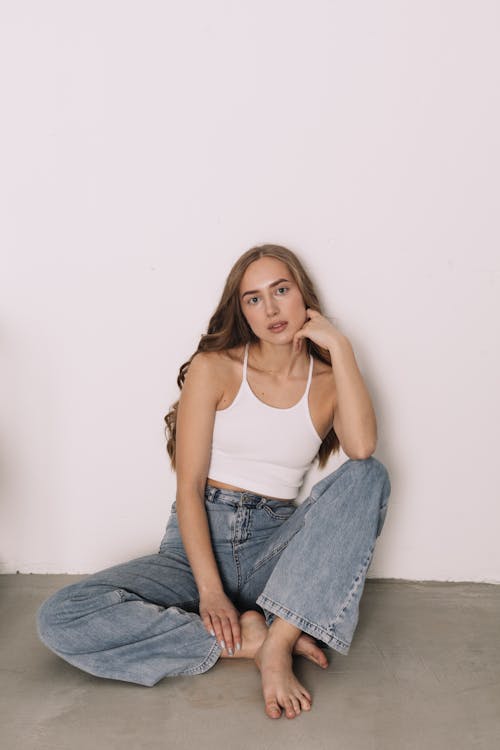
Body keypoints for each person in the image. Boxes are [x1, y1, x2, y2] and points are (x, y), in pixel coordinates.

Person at [37, 244, 391, 720]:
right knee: (61, 616)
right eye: (253, 298)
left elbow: (362, 449)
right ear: (241, 310)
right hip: (194, 548)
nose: (270, 308)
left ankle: (278, 643)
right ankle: (249, 641)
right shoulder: (215, 368)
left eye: (281, 290)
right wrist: (209, 591)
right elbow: (188, 489)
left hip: (274, 549)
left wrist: (341, 348)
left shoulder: (328, 381)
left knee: (370, 475)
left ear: (301, 294)